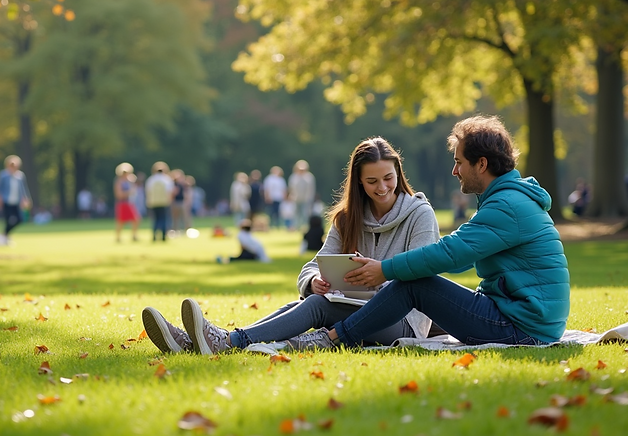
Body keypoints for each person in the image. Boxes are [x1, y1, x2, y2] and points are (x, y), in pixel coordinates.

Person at [219, 115, 568, 352]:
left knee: (414, 282)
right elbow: (460, 260)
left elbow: (450, 255)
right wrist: (316, 280)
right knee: (311, 302)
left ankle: (328, 338)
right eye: (372, 181)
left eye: (459, 162)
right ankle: (229, 338)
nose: (454, 170)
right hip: (514, 315)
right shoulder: (505, 202)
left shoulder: (507, 206)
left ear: (482, 164)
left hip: (523, 327)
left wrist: (383, 270)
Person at [141, 136, 441, 353]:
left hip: (402, 320)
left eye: (388, 178)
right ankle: (199, 343)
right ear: (359, 183)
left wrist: (378, 276)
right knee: (303, 302)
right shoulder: (347, 218)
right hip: (354, 308)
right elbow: (315, 264)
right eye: (372, 181)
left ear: (398, 174)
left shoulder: (420, 214)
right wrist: (314, 281)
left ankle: (227, 341)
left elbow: (420, 275)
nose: (382, 187)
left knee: (318, 306)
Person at [0, 155, 31, 246]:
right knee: (8, 220)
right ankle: (5, 238)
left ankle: (4, 234)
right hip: (6, 201)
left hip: (16, 202)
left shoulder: (20, 176)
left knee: (20, 219)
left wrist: (26, 199)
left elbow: (23, 189)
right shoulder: (3, 175)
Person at [145, 161, 174, 242]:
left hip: (153, 202)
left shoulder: (151, 179)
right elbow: (169, 192)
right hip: (164, 202)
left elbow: (148, 191)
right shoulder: (166, 179)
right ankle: (163, 236)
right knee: (163, 219)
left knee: (155, 219)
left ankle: (154, 235)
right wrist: (170, 201)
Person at [114, 162, 140, 242]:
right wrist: (129, 192)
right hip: (123, 203)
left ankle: (134, 235)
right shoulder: (119, 182)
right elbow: (119, 195)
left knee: (136, 219)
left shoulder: (129, 181)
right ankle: (118, 237)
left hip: (129, 203)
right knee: (121, 221)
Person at [288, 160, 316, 230]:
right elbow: (291, 188)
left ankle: (305, 227)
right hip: (296, 198)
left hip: (306, 199)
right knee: (295, 213)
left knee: (305, 213)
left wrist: (310, 198)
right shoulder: (294, 177)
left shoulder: (309, 177)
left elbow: (311, 189)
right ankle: (295, 226)